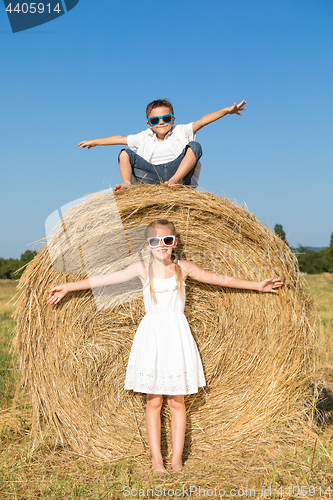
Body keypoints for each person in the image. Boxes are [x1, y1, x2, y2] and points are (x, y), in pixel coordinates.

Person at [46, 219, 283, 474]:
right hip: (152, 336)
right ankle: (157, 460)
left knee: (177, 401)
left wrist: (257, 285)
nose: (162, 246)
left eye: (167, 240)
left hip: (177, 336)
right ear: (147, 246)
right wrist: (69, 286)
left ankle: (177, 459)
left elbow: (219, 279)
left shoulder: (184, 268)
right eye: (155, 241)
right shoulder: (142, 269)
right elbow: (105, 280)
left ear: (175, 242)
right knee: (154, 400)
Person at [78, 98, 246, 191]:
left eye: (166, 119)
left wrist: (226, 111)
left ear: (173, 119)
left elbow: (202, 121)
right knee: (124, 152)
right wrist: (95, 142)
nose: (161, 122)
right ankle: (127, 184)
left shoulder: (181, 131)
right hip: (151, 175)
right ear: (148, 123)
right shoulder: (143, 137)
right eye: (155, 120)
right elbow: (118, 138)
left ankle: (174, 181)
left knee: (195, 146)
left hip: (176, 171)